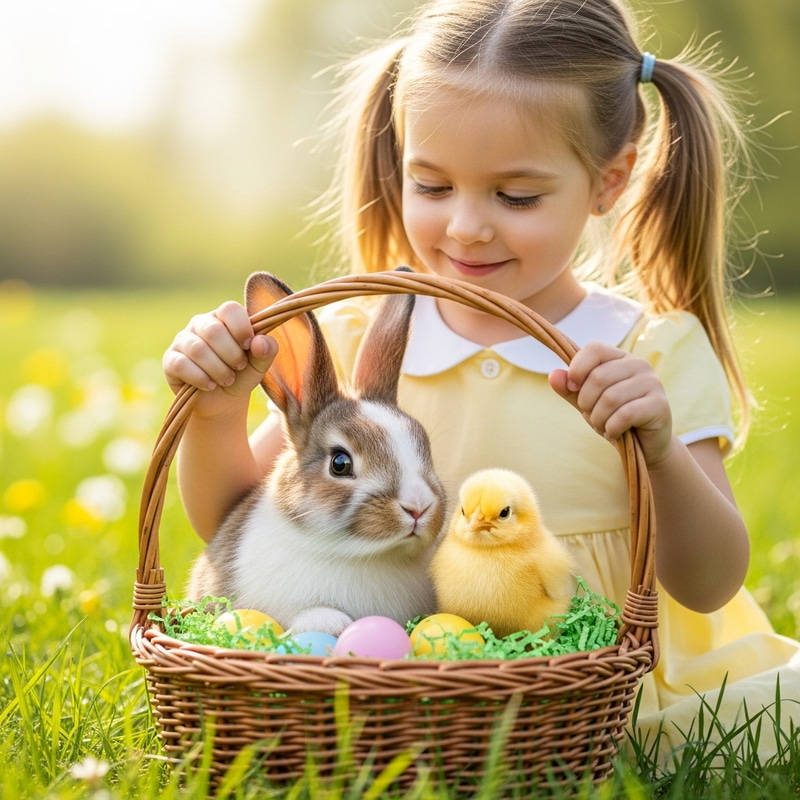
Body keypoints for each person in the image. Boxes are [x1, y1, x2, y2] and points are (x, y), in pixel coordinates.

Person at [163, 0, 799, 761]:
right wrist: (214, 416)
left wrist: (659, 450)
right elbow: (228, 524)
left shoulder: (648, 350)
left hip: (607, 693)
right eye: (432, 187)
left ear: (610, 180)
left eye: (515, 196)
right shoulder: (365, 334)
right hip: (418, 687)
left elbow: (710, 581)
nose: (466, 227)